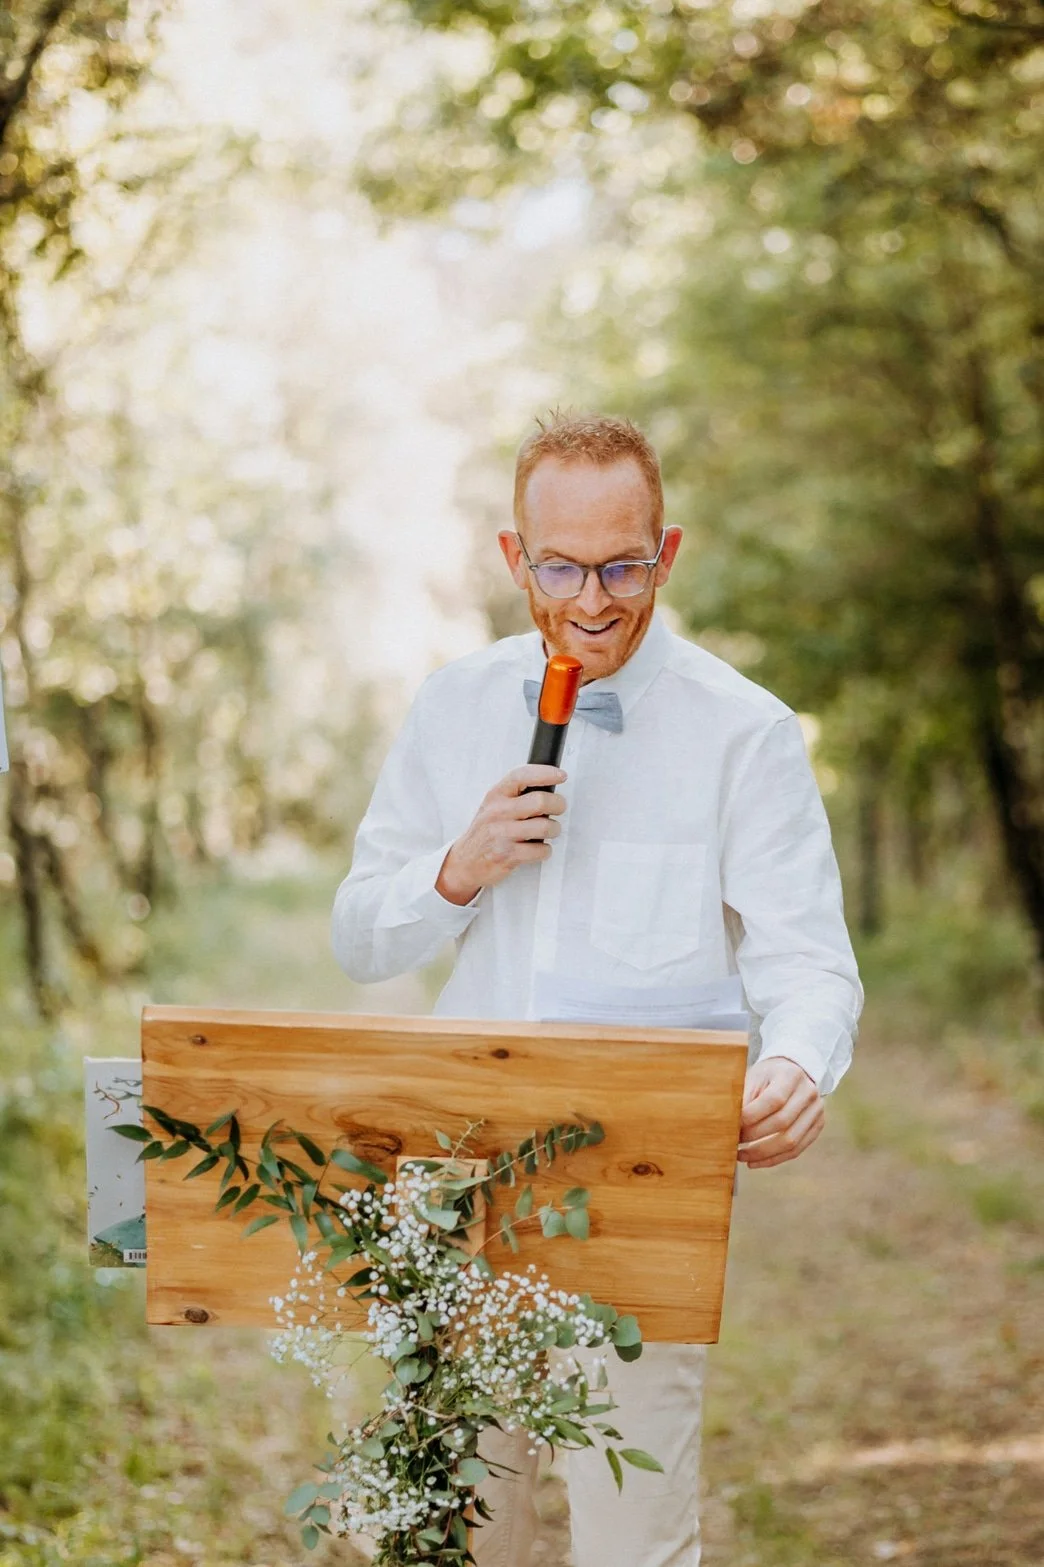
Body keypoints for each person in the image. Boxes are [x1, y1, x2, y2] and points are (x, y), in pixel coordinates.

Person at [332, 410, 863, 1566]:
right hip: (459, 1187)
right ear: (515, 558)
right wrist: (454, 870)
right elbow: (362, 939)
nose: (592, 599)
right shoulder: (452, 707)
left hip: (644, 1196)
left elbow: (810, 962)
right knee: (463, 1536)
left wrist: (795, 1064)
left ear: (666, 552)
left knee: (636, 1540)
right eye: (562, 567)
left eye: (624, 565)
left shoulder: (747, 734)